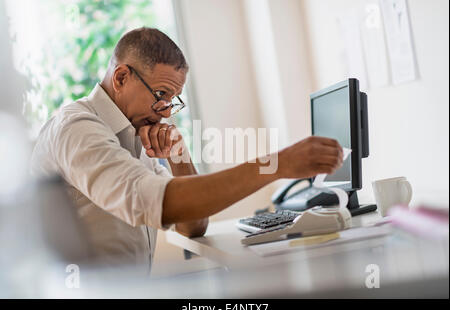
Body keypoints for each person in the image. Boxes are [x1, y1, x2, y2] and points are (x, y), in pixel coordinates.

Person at [31, 27, 343, 268]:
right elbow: (157, 202)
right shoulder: (78, 127)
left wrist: (180, 156)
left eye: (172, 101)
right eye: (161, 95)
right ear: (122, 77)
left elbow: (190, 226)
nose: (166, 111)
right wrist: (278, 164)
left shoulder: (134, 134)